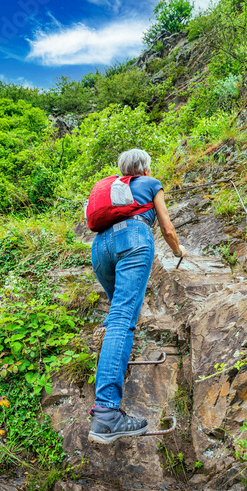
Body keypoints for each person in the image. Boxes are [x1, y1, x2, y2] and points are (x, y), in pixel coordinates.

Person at [88, 148, 187, 444]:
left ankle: (111, 347)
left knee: (118, 313)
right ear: (144, 168)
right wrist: (179, 252)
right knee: (122, 320)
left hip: (100, 247)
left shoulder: (113, 188)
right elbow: (167, 227)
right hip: (133, 239)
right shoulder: (150, 183)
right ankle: (107, 414)